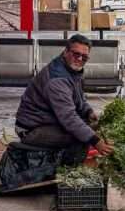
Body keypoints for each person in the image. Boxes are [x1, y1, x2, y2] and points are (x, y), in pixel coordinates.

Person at [15, 34, 114, 162]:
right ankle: (64, 166)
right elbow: (69, 118)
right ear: (66, 51)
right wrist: (96, 142)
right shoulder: (57, 80)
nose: (79, 59)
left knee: (89, 127)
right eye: (76, 54)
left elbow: (79, 98)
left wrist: (88, 111)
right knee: (81, 137)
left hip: (49, 121)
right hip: (31, 129)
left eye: (84, 57)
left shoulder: (72, 71)